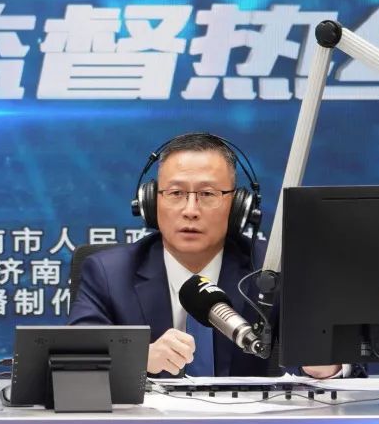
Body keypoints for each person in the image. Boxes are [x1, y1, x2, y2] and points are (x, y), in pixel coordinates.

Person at [68, 132, 342, 379]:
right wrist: (138, 358)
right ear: (151, 202)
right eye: (176, 193)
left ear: (238, 206)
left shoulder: (271, 271)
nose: (190, 210)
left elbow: (345, 360)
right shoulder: (109, 273)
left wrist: (327, 366)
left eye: (208, 194)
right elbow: (73, 362)